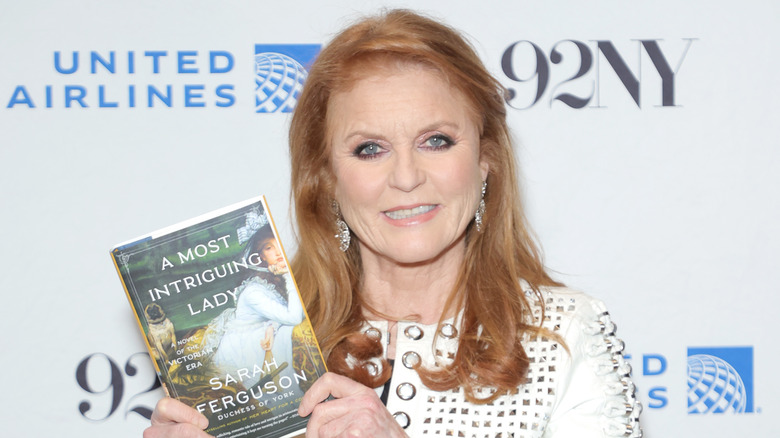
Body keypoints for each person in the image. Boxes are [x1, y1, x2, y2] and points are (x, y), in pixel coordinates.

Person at [145, 9, 642, 438]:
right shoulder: (264, 346)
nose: (405, 177)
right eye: (370, 149)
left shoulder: (563, 335)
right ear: (327, 180)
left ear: (486, 160)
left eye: (436, 141)